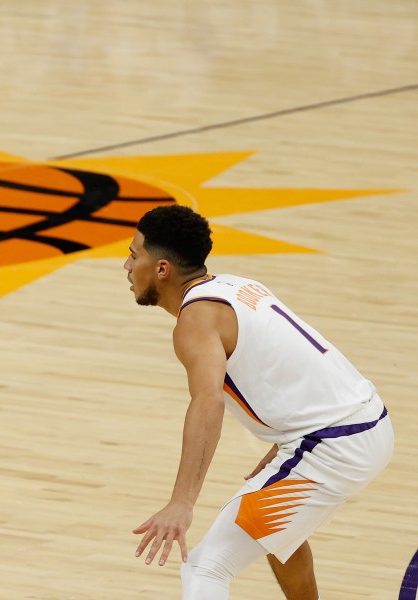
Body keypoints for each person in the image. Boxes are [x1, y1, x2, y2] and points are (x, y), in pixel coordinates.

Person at [124, 205, 393, 599]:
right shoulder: (236, 286)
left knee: (205, 568)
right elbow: (293, 369)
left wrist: (181, 502)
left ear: (162, 269)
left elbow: (208, 402)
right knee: (276, 536)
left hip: (335, 445)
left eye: (134, 255)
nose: (127, 266)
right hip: (365, 421)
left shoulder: (195, 321)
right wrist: (282, 446)